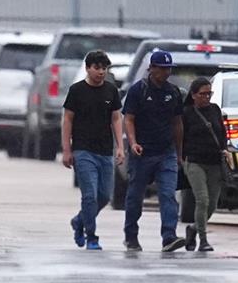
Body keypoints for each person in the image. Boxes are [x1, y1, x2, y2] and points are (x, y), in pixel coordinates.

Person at [122, 49, 186, 252]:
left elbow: (177, 123)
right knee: (135, 196)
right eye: (163, 69)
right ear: (152, 68)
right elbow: (128, 119)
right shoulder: (137, 91)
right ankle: (131, 235)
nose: (166, 72)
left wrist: (178, 153)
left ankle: (169, 236)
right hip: (142, 153)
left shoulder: (173, 92)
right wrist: (132, 143)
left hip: (166, 152)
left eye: (169, 69)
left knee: (167, 194)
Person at [62, 50, 125, 251]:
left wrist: (120, 147)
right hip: (83, 150)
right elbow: (67, 120)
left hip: (105, 150)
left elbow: (116, 118)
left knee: (104, 196)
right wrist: (66, 149)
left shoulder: (111, 91)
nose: (100, 72)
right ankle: (92, 236)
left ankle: (79, 220)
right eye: (97, 68)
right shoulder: (77, 90)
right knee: (89, 195)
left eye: (104, 68)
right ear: (88, 68)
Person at [181, 77, 226, 252]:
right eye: (203, 94)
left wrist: (225, 150)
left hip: (214, 162)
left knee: (213, 203)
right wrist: (181, 157)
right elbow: (180, 137)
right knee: (202, 199)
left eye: (209, 94)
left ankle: (193, 229)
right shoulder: (187, 113)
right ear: (193, 95)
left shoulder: (215, 110)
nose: (206, 97)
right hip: (194, 161)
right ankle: (203, 239)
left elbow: (221, 133)